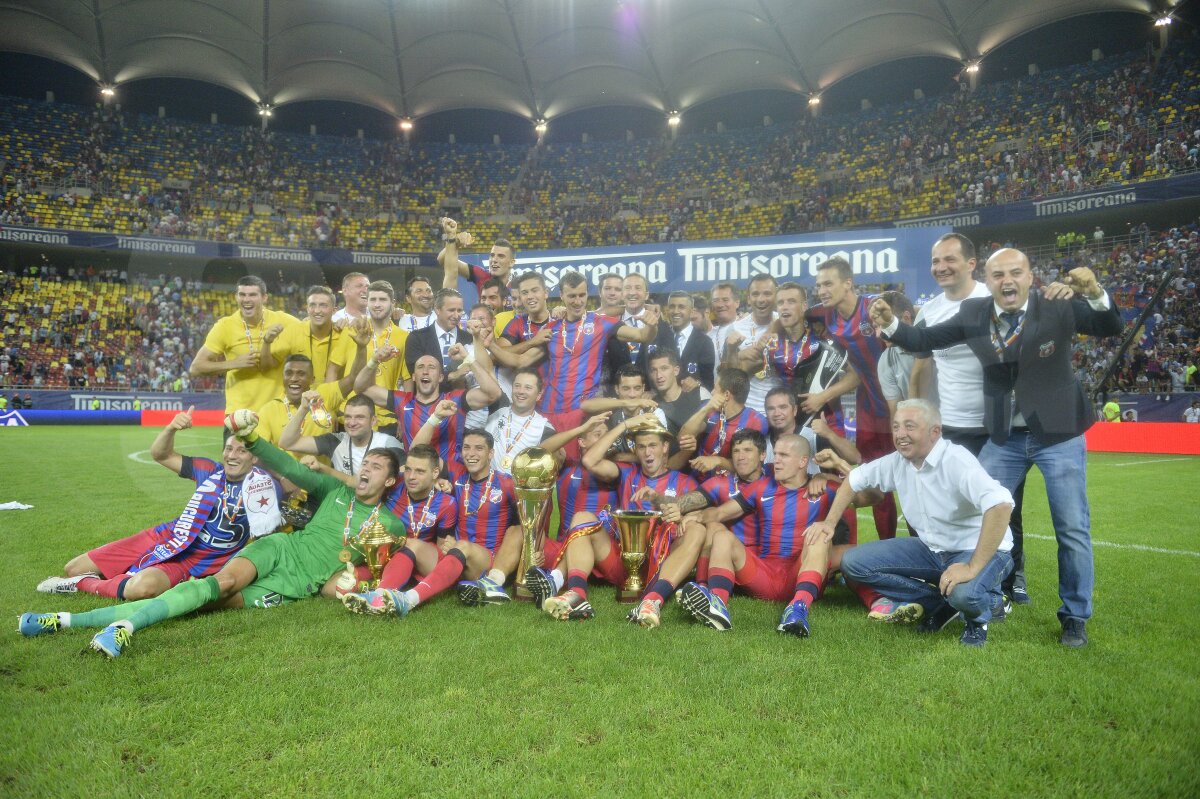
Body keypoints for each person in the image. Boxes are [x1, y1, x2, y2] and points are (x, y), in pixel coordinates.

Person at [871, 249, 1123, 647]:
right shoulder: (974, 313)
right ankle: (970, 594)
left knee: (1071, 527)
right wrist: (890, 326)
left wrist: (1093, 290)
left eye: (1016, 272)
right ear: (987, 280)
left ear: (1030, 277)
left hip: (1059, 433)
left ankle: (1075, 616)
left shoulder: (1056, 304)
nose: (1007, 280)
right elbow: (925, 338)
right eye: (998, 274)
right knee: (972, 513)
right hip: (1004, 437)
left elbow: (1109, 325)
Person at [20, 422, 404, 658]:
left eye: (375, 467)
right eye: (364, 464)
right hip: (279, 548)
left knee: (207, 603)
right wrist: (252, 438)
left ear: (388, 481)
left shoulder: (390, 525)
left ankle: (60, 620)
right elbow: (287, 466)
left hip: (296, 584)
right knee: (220, 583)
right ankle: (120, 628)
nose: (365, 469)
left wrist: (353, 582)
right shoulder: (334, 491)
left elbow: (371, 569)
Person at [33, 406, 284, 601]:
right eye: (229, 449)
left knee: (143, 588)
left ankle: (81, 585)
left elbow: (281, 511)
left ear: (254, 457)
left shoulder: (262, 486)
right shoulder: (209, 470)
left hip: (198, 560)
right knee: (73, 566)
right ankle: (98, 578)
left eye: (241, 451)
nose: (232, 456)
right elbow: (161, 454)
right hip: (167, 535)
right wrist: (171, 428)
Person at [908, 233, 1030, 603]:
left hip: (997, 425)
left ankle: (1012, 578)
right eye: (935, 262)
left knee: (1004, 504)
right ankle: (941, 575)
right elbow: (922, 367)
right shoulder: (929, 311)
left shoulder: (993, 298)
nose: (941, 268)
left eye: (950, 260)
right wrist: (915, 414)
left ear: (972, 264)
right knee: (948, 505)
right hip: (953, 426)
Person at [835, 400, 1015, 647]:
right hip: (932, 549)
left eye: (910, 426)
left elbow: (1001, 504)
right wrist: (827, 523)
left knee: (964, 594)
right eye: (896, 426)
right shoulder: (898, 461)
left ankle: (979, 616)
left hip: (976, 550)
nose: (900, 435)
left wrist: (972, 567)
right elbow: (854, 479)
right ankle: (942, 604)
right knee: (853, 564)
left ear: (934, 432)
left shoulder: (956, 461)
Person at [674, 435, 871, 636]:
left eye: (784, 455)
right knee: (722, 537)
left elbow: (871, 497)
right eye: (776, 454)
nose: (776, 460)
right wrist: (696, 516)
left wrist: (840, 464)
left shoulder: (823, 488)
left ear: (803, 461)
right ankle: (717, 604)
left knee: (820, 535)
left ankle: (797, 609)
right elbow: (720, 513)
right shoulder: (761, 487)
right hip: (765, 575)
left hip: (801, 573)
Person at [536, 415, 698, 625]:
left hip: (663, 565)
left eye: (652, 446)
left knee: (697, 529)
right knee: (582, 517)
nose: (647, 452)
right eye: (641, 447)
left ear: (665, 447)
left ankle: (653, 601)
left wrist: (686, 516)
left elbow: (703, 514)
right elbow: (589, 460)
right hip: (623, 563)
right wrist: (624, 425)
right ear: (635, 450)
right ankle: (576, 594)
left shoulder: (686, 482)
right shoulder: (627, 473)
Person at [486, 270, 662, 444]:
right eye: (572, 296)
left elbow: (642, 336)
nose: (578, 302)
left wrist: (652, 326)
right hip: (548, 410)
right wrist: (490, 345)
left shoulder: (602, 323)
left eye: (582, 295)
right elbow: (520, 361)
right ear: (561, 295)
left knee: (577, 467)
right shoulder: (551, 329)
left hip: (582, 411)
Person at [814, 257, 897, 541]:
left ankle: (928, 551)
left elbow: (912, 318)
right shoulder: (827, 316)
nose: (822, 290)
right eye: (818, 285)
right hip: (871, 411)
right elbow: (792, 316)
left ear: (848, 283)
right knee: (877, 483)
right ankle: (889, 552)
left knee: (916, 482)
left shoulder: (874, 306)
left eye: (828, 283)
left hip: (902, 408)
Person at [354, 326, 501, 472]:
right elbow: (361, 388)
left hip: (451, 477)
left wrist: (468, 359)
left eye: (431, 367)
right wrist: (375, 360)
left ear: (440, 377)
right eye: (420, 367)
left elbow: (493, 393)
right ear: (413, 376)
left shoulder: (455, 400)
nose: (425, 371)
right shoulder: (402, 401)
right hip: (416, 476)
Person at [339, 444, 458, 615]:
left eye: (420, 471)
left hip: (420, 555)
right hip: (388, 556)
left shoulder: (447, 504)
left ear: (435, 473)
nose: (411, 477)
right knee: (341, 586)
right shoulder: (394, 485)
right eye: (408, 469)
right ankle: (379, 587)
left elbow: (440, 548)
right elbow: (359, 482)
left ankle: (378, 595)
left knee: (411, 545)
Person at [190, 275, 299, 414]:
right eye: (242, 295)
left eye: (253, 295)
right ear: (236, 297)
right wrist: (232, 363)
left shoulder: (283, 320)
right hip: (239, 415)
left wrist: (336, 322)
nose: (247, 300)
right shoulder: (225, 326)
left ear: (264, 298)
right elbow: (195, 368)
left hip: (276, 413)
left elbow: (309, 327)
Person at [328, 280, 410, 435]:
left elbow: (408, 380)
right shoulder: (352, 329)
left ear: (393, 303)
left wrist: (404, 414)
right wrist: (329, 406)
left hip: (385, 415)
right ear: (367, 302)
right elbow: (333, 369)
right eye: (372, 300)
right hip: (348, 412)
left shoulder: (404, 337)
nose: (377, 305)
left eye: (382, 300)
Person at [280, 393, 404, 475]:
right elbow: (287, 443)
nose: (352, 422)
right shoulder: (336, 441)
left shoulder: (388, 443)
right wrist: (303, 408)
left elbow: (403, 478)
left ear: (373, 421)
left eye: (360, 417)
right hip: (343, 505)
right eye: (348, 417)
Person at [679, 366, 768, 480]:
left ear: (726, 395)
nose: (711, 392)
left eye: (715, 389)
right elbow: (682, 438)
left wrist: (718, 461)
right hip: (697, 479)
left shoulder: (756, 421)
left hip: (732, 485)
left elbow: (751, 464)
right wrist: (706, 408)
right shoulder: (708, 410)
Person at [256, 354, 351, 459]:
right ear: (282, 378)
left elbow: (353, 379)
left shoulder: (324, 395)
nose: (294, 378)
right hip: (283, 474)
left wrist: (361, 349)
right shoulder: (268, 410)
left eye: (301, 374)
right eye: (288, 373)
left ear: (312, 379)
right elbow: (259, 452)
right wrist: (280, 475)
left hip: (321, 473)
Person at [582, 363, 667, 458]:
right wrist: (626, 402)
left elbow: (660, 455)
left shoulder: (654, 412)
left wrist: (621, 457)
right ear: (617, 389)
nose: (632, 394)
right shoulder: (611, 407)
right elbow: (585, 406)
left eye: (637, 388)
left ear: (643, 388)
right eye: (626, 389)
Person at [483, 367, 557, 474]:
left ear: (539, 395)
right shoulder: (497, 408)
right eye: (517, 386)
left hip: (517, 488)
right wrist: (468, 358)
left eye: (528, 388)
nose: (521, 391)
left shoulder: (545, 428)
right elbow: (487, 371)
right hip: (485, 485)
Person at [723, 274, 779, 414]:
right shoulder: (734, 328)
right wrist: (736, 353)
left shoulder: (784, 322)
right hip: (747, 407)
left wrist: (740, 355)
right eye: (755, 294)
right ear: (748, 298)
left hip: (780, 407)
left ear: (776, 295)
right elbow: (727, 374)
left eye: (767, 293)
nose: (761, 299)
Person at [438, 217, 515, 303]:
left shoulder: (520, 286)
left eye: (501, 256)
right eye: (492, 255)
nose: (494, 259)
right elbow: (444, 259)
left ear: (512, 262)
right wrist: (455, 241)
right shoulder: (482, 275)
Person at [402, 288, 471, 381]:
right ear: (437, 309)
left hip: (463, 394)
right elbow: (418, 375)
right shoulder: (416, 338)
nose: (456, 315)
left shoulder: (469, 338)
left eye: (459, 311)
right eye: (451, 310)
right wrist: (453, 376)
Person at [875, 290, 917, 419]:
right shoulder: (886, 360)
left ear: (906, 318)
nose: (878, 334)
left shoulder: (936, 343)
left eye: (885, 324)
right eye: (876, 326)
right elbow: (897, 416)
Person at [647, 349, 709, 434]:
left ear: (676, 371)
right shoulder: (650, 405)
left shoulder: (700, 395)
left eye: (664, 368)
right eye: (654, 370)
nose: (659, 375)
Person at [664, 290, 716, 391]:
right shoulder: (660, 338)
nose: (675, 311)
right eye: (672, 306)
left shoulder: (705, 342)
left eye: (681, 307)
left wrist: (697, 383)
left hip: (692, 402)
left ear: (691, 311)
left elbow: (708, 382)